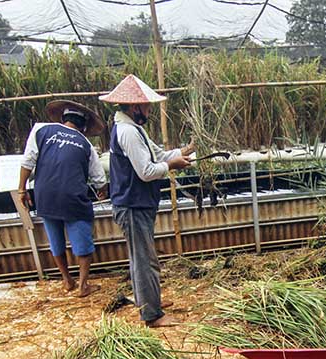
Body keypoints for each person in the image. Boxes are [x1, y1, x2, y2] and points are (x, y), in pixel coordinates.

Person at [98, 75, 194, 327]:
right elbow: (146, 171)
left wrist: (185, 151)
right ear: (134, 107)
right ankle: (152, 315)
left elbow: (158, 155)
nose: (150, 110)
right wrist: (171, 164)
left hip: (137, 202)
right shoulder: (128, 131)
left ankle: (150, 301)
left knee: (144, 258)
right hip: (132, 204)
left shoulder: (133, 128)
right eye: (147, 106)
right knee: (143, 260)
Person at [18, 100, 107, 297]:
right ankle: (83, 285)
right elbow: (99, 178)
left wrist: (21, 189)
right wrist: (102, 190)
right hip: (73, 197)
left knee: (55, 239)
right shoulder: (86, 145)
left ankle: (67, 280)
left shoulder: (41, 130)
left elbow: (28, 160)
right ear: (83, 126)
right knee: (82, 240)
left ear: (63, 119)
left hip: (45, 194)